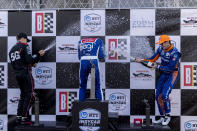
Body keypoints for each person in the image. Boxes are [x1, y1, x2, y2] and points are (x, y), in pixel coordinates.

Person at [136, 35, 181, 126]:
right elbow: (152, 59)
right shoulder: (160, 49)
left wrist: (157, 66)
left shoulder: (175, 53)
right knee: (158, 96)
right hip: (164, 73)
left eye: (162, 44)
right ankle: (162, 116)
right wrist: (142, 60)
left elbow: (170, 68)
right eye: (160, 44)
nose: (161, 45)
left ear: (167, 42)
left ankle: (167, 116)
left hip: (172, 74)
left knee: (164, 95)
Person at [9, 33, 45, 125]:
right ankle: (25, 118)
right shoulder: (25, 46)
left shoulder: (12, 50)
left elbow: (23, 62)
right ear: (22, 38)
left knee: (23, 96)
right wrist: (38, 54)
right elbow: (29, 60)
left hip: (17, 74)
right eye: (26, 39)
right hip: (25, 74)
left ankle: (19, 117)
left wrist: (33, 61)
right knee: (29, 95)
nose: (26, 41)